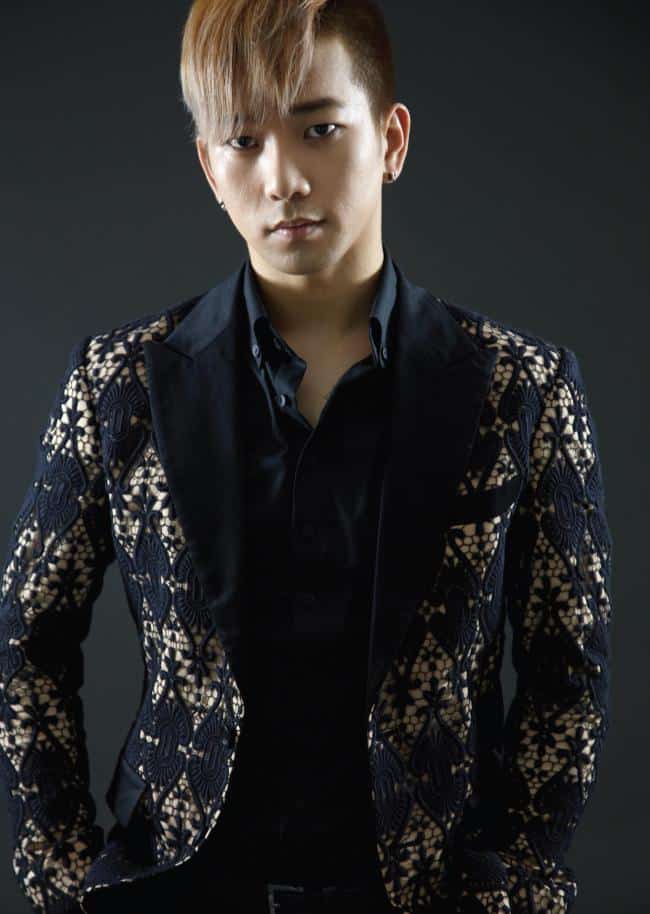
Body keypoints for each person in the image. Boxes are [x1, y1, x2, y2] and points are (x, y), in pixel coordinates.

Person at [0, 2, 614, 913]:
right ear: (209, 167)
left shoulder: (521, 387)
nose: (283, 178)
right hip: (182, 889)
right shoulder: (118, 381)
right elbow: (23, 637)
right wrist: (62, 882)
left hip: (428, 893)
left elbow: (571, 665)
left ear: (390, 140)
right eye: (243, 141)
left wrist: (518, 885)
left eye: (319, 129)